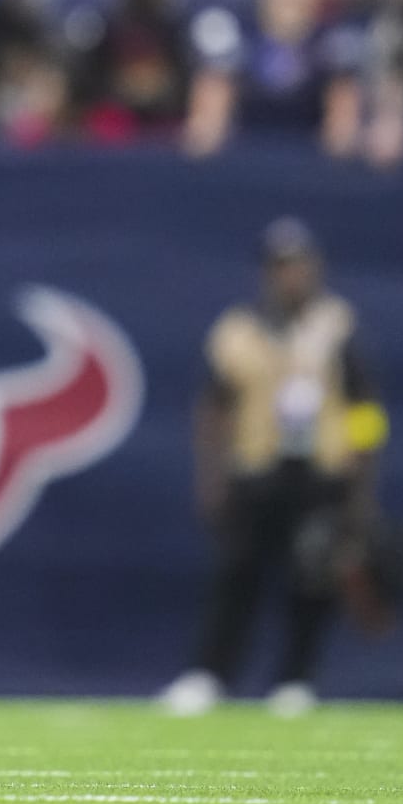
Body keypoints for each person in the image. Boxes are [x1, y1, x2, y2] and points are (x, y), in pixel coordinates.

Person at [158, 219, 388, 718]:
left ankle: (295, 679)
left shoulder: (336, 325)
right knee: (237, 575)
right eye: (283, 266)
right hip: (257, 468)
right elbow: (213, 409)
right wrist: (211, 475)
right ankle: (210, 675)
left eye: (300, 265)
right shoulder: (238, 330)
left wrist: (362, 476)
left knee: (312, 578)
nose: (293, 276)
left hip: (320, 471)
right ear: (267, 272)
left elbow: (364, 408)